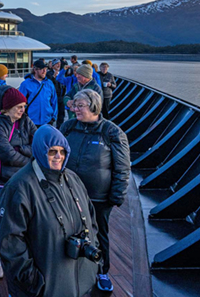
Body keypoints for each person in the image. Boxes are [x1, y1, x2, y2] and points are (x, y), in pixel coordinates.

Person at [0, 125, 100, 296]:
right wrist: (34, 283)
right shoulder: (19, 187)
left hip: (78, 285)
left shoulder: (73, 179)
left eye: (62, 151)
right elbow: (8, 241)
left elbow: (91, 220)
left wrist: (92, 265)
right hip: (41, 290)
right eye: (52, 151)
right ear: (40, 151)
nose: (58, 156)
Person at [61, 89, 130, 293]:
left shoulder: (111, 132)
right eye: (74, 105)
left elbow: (122, 167)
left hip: (98, 198)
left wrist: (116, 196)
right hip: (69, 193)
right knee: (68, 231)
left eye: (80, 106)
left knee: (99, 234)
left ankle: (102, 271)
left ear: (93, 106)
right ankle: (72, 268)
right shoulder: (68, 126)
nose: (74, 109)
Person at [0, 87, 36, 278]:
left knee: (24, 219)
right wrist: (28, 158)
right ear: (7, 108)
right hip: (1, 180)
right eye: (18, 107)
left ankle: (20, 256)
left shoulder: (27, 122)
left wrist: (20, 148)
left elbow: (37, 144)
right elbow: (5, 154)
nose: (22, 110)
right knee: (4, 219)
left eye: (24, 106)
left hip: (23, 179)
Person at [19, 60, 58, 127]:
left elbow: (54, 101)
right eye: (41, 69)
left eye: (45, 69)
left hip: (47, 120)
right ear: (35, 70)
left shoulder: (49, 83)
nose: (44, 71)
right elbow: (20, 102)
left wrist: (54, 117)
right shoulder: (25, 84)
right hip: (31, 121)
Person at [48, 58, 67, 127]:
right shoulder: (49, 73)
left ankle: (60, 129)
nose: (58, 65)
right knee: (52, 113)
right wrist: (53, 77)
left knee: (61, 114)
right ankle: (50, 128)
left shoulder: (62, 73)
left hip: (61, 96)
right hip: (53, 97)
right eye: (56, 64)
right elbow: (48, 84)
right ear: (53, 66)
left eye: (59, 63)